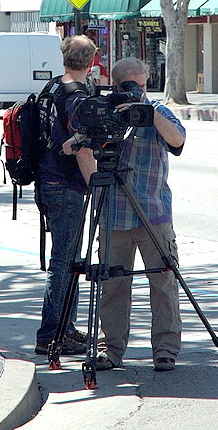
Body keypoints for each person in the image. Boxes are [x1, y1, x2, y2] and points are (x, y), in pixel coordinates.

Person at [63, 56, 185, 372]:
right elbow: (70, 146)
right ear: (115, 86)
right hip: (114, 212)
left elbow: (178, 139)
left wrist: (147, 110)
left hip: (153, 212)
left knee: (163, 281)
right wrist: (91, 133)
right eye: (130, 86)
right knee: (112, 286)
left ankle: (166, 350)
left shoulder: (157, 111)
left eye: (142, 85)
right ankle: (110, 350)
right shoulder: (104, 114)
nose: (136, 91)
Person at [34, 35, 97, 355]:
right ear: (91, 62)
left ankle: (65, 328)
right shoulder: (77, 96)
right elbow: (81, 149)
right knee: (63, 262)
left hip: (48, 181)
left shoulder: (53, 88)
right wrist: (97, 187)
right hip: (66, 186)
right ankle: (51, 333)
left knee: (68, 260)